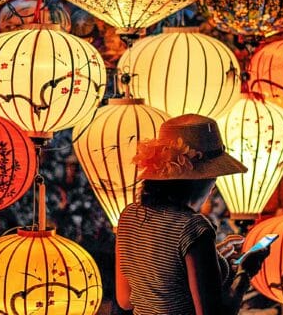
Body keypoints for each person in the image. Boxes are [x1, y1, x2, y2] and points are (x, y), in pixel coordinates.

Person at [116, 114, 271, 315]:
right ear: (200, 181)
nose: (213, 187)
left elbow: (126, 300)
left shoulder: (129, 216)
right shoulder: (193, 228)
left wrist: (213, 258)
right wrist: (245, 273)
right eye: (214, 177)